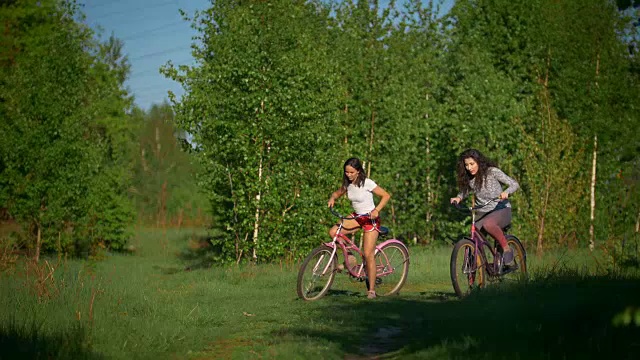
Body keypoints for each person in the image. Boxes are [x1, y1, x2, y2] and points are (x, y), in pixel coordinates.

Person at [327, 157, 391, 299]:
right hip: (356, 217)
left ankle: (372, 291)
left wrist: (377, 210)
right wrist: (332, 198)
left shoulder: (367, 183)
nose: (348, 175)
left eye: (351, 172)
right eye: (346, 172)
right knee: (333, 232)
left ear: (358, 171)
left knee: (368, 255)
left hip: (370, 220)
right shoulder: (348, 184)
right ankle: (350, 259)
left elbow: (386, 195)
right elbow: (337, 193)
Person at [450, 149, 519, 266]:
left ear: (478, 162)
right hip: (482, 211)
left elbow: (514, 184)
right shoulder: (470, 178)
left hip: (501, 208)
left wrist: (506, 192)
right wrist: (458, 197)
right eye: (466, 165)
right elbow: (465, 191)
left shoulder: (492, 172)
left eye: (472, 164)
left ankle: (507, 249)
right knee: (474, 234)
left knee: (489, 224)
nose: (469, 168)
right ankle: (479, 266)